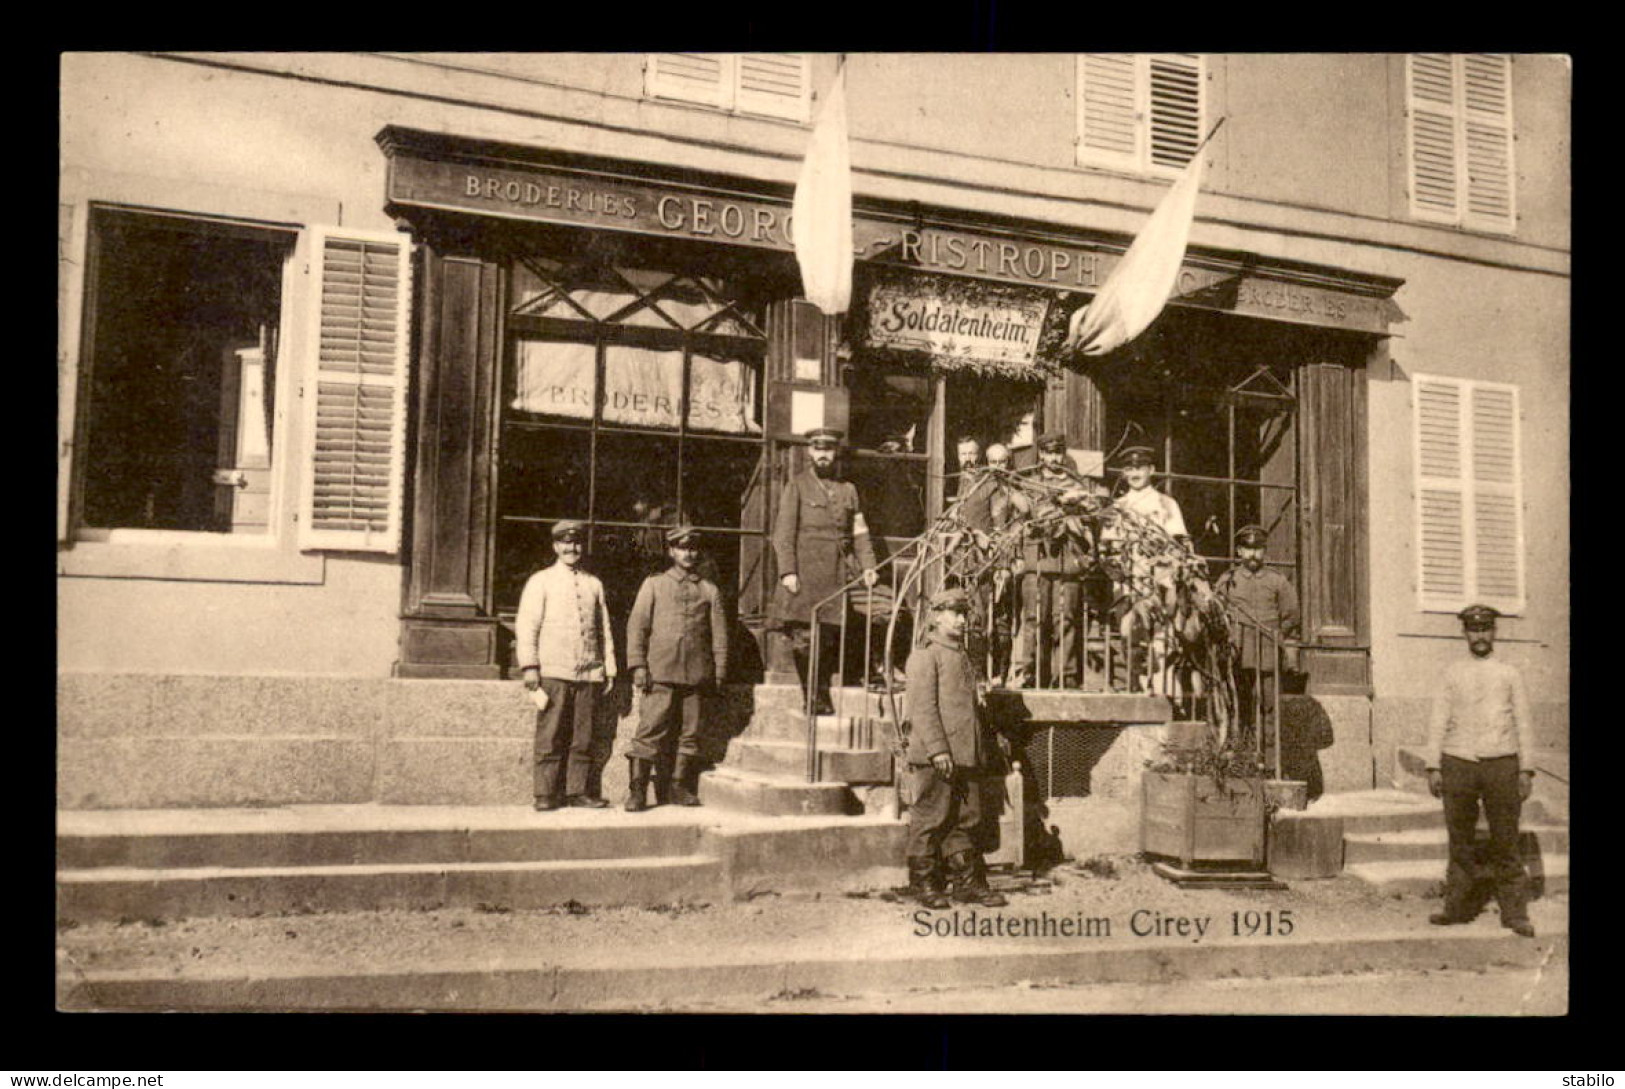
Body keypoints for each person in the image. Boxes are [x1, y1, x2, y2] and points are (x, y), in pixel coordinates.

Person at [1424, 604, 1537, 938]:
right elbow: (1438, 720)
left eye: (1486, 628)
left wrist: (1526, 769)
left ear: (1494, 632)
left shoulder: (1509, 673)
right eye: (1474, 630)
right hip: (1458, 762)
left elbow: (1524, 722)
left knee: (1506, 840)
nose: (1480, 635)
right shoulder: (1451, 673)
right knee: (1460, 840)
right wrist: (1433, 765)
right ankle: (1457, 908)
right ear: (1464, 633)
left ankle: (1515, 914)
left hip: (1501, 763)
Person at [902, 588, 1008, 909]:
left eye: (965, 613)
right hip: (937, 755)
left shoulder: (960, 654)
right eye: (955, 613)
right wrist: (937, 751)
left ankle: (967, 883)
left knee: (967, 819)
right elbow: (922, 708)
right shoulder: (925, 654)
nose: (963, 620)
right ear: (935, 616)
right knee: (930, 817)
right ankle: (924, 884)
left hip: (964, 754)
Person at [767, 428, 879, 712]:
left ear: (836, 452)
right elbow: (783, 534)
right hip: (807, 572)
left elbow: (860, 532)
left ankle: (836, 686)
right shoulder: (798, 485)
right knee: (805, 638)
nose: (823, 455)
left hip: (839, 572)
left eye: (828, 449)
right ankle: (813, 697)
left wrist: (869, 566)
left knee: (830, 634)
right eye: (818, 449)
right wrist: (788, 572)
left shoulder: (848, 490)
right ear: (809, 452)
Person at [624, 526, 729, 812]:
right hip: (660, 671)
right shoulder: (654, 585)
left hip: (697, 674)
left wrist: (718, 672)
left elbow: (719, 635)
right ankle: (637, 790)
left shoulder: (709, 590)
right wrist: (637, 665)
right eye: (682, 548)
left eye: (693, 548)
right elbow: (637, 627)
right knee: (650, 730)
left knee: (690, 732)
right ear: (672, 551)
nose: (688, 553)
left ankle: (679, 785)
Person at [515, 520, 618, 811]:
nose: (571, 548)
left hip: (589, 672)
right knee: (551, 734)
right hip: (553, 671)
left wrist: (608, 667)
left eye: (576, 543)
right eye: (565, 543)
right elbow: (527, 625)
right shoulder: (541, 581)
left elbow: (604, 628)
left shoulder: (593, 583)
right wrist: (530, 666)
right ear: (555, 546)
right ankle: (545, 794)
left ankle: (577, 791)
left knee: (582, 736)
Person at [1008, 432, 1101, 688]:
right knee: (1034, 618)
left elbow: (1092, 518)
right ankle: (1031, 674)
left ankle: (1066, 677)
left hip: (1068, 560)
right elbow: (1019, 522)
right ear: (1041, 453)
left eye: (1058, 452)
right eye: (1048, 452)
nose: (1053, 458)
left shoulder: (1077, 485)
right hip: (1037, 558)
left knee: (1066, 619)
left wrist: (1077, 507)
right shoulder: (1030, 483)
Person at [1110, 446, 1189, 692]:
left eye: (1140, 468)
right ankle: (1135, 686)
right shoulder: (1117, 506)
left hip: (1159, 581)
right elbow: (1109, 546)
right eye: (1129, 468)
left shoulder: (1165, 503)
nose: (1134, 473)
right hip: (1127, 580)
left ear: (1151, 470)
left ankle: (1163, 690)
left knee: (1160, 637)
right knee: (1128, 633)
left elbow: (1178, 543)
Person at [1215, 525, 1301, 748]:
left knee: (1268, 705)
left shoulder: (1277, 581)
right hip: (1238, 652)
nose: (1253, 554)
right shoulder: (1228, 580)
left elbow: (1291, 615)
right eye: (1247, 548)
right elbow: (1215, 612)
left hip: (1267, 652)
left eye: (1258, 549)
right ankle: (1242, 752)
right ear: (1239, 552)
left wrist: (1276, 635)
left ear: (1264, 551)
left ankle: (1269, 756)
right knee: (1239, 702)